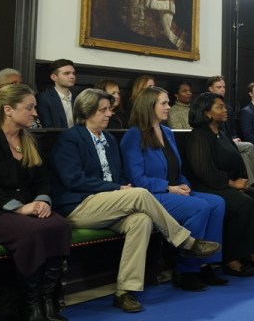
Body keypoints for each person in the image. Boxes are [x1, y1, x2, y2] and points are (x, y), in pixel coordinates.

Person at [50, 89, 221, 313]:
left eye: (109, 109)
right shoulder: (71, 138)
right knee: (140, 193)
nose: (109, 114)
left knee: (141, 220)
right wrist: (119, 189)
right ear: (86, 111)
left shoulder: (109, 139)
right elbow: (74, 180)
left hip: (110, 203)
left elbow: (120, 175)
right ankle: (186, 242)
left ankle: (124, 291)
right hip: (80, 205)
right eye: (103, 110)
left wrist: (121, 187)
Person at [120, 86, 226, 291]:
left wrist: (184, 184)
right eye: (164, 103)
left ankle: (207, 263)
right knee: (200, 206)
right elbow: (137, 179)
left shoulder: (167, 132)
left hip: (175, 189)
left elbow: (176, 168)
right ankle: (186, 269)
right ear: (149, 106)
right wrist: (169, 188)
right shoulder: (134, 136)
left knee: (217, 203)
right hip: (152, 195)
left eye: (168, 102)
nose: (168, 107)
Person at [0, 84, 71, 321]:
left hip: (29, 207)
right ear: (8, 110)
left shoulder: (30, 140)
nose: (35, 113)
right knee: (32, 232)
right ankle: (30, 305)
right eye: (30, 108)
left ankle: (48, 301)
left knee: (59, 225)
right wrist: (20, 208)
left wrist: (41, 201)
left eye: (35, 107)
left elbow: (43, 180)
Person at [183, 92, 254, 276]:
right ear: (207, 113)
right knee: (243, 204)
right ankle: (231, 258)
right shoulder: (200, 136)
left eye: (224, 106)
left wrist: (242, 182)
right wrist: (232, 184)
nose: (225, 110)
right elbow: (204, 171)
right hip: (207, 186)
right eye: (220, 107)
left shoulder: (222, 134)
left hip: (229, 184)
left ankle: (251, 251)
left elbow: (238, 161)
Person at [207, 76, 254, 193]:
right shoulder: (206, 107)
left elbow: (232, 130)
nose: (222, 89)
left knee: (245, 155)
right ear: (210, 88)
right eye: (219, 87)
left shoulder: (228, 108)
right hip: (217, 143)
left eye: (224, 87)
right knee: (249, 146)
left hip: (230, 142)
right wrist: (230, 140)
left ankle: (251, 186)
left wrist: (234, 138)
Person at [36, 59, 77, 129]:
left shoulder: (78, 98)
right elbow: (47, 126)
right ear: (54, 77)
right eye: (67, 73)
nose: (72, 76)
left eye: (74, 73)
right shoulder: (44, 98)